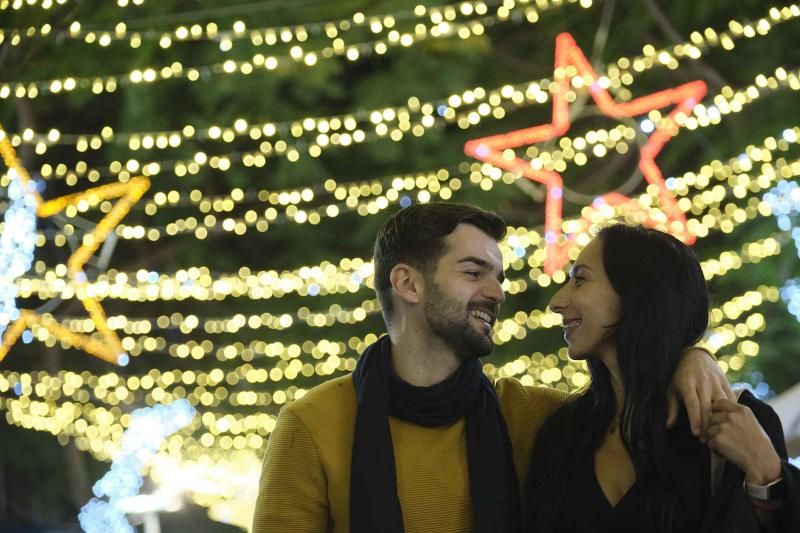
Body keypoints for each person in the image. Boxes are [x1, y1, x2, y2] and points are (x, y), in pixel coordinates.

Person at [252, 203, 731, 533]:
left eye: (498, 277)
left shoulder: (533, 418)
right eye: (473, 272)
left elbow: (629, 394)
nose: (499, 293)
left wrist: (691, 356)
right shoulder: (313, 424)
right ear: (408, 284)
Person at [526, 224, 800, 532]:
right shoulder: (563, 433)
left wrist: (768, 474)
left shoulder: (734, 421)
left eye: (580, 279)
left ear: (637, 292)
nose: (556, 302)